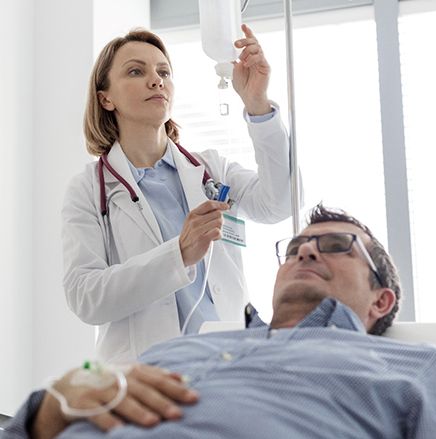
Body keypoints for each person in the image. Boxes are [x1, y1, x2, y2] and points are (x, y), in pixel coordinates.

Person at [3, 204, 436, 438]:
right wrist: (51, 406)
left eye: (337, 245)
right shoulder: (172, 352)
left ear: (382, 300)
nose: (308, 249)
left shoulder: (416, 371)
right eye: (295, 248)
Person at [62, 25, 295, 364]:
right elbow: (86, 297)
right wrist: (179, 254)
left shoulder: (211, 169)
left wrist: (258, 105)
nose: (156, 80)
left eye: (163, 72)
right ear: (105, 97)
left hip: (228, 363)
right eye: (135, 71)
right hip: (146, 376)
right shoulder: (88, 189)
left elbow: (279, 204)